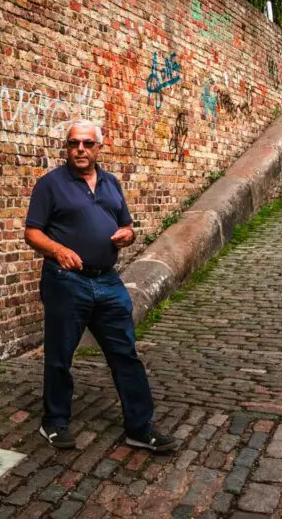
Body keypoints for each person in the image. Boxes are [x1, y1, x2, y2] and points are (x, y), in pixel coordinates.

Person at [24, 120, 177, 454]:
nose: (80, 149)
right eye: (74, 143)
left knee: (125, 354)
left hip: (108, 281)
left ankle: (140, 428)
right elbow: (32, 232)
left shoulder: (110, 183)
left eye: (87, 144)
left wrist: (128, 235)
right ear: (66, 147)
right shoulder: (50, 185)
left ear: (98, 148)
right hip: (66, 282)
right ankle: (55, 422)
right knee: (60, 356)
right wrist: (58, 250)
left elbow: (127, 225)